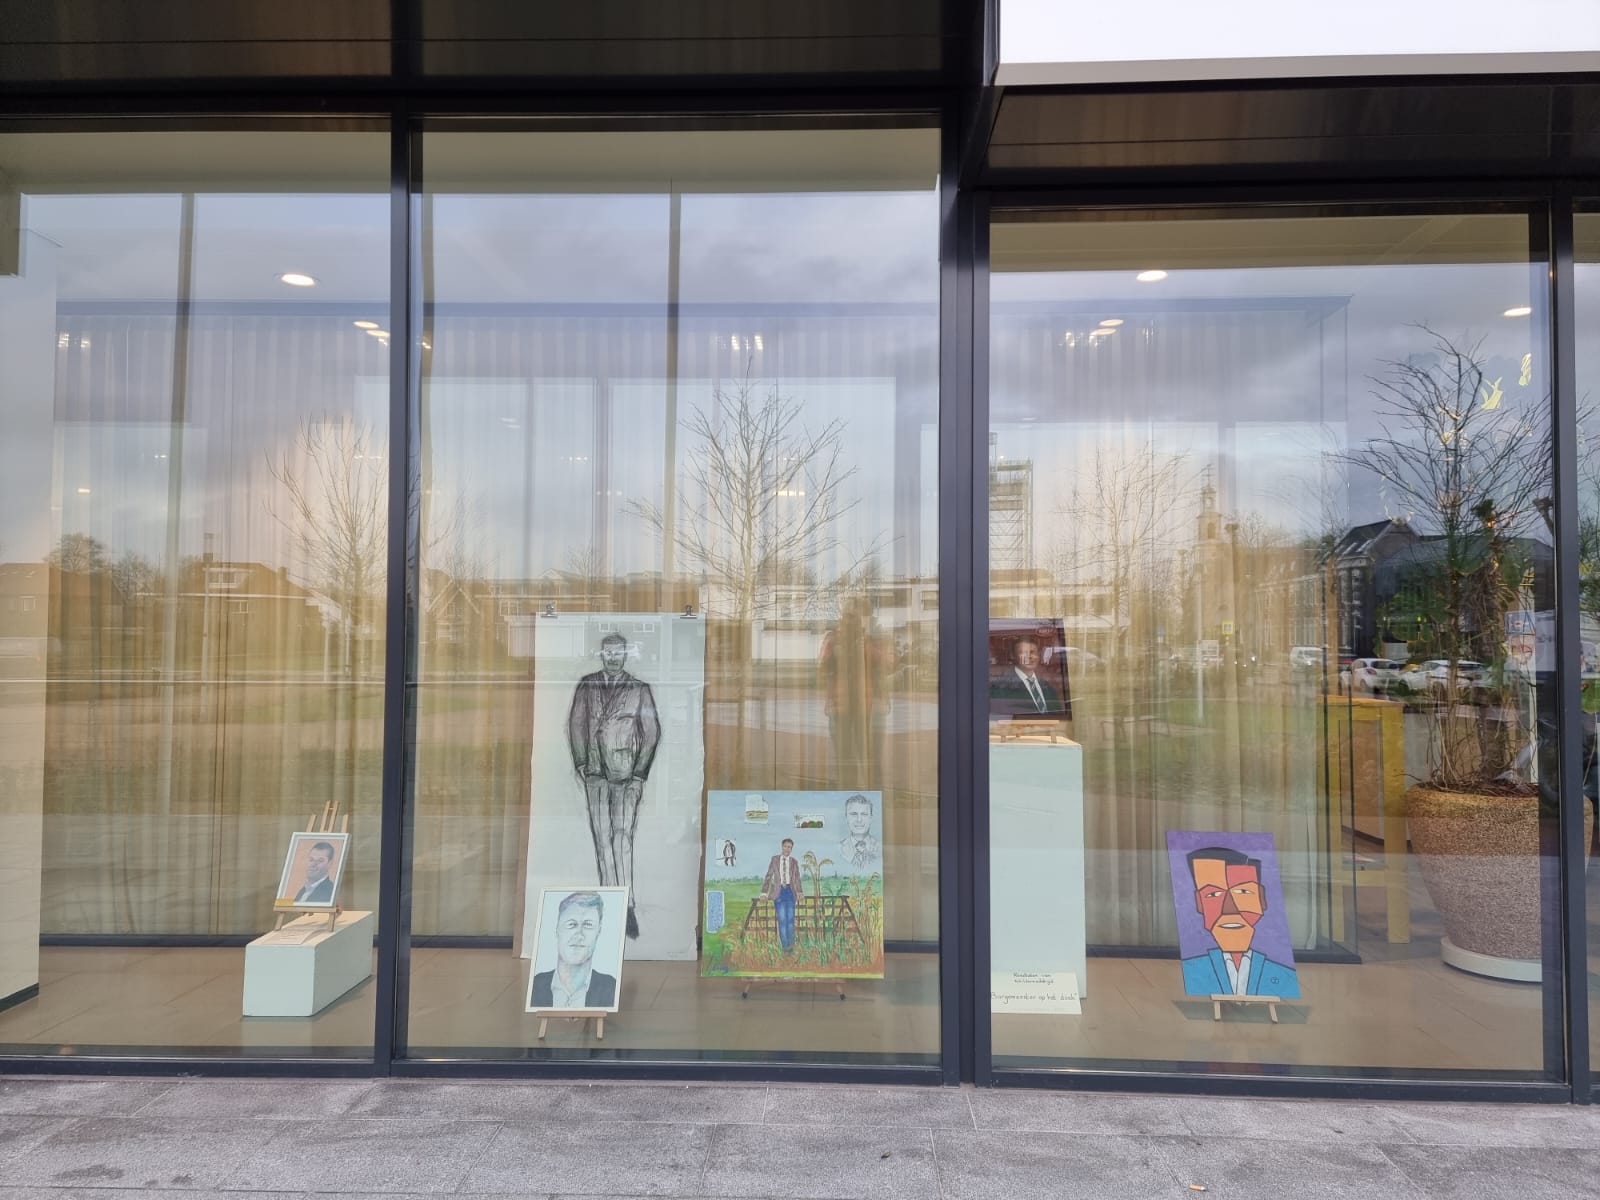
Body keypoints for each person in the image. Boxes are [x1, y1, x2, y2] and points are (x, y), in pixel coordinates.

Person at [567, 632, 660, 939]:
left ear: (625, 655)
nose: (613, 658)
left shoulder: (639, 689)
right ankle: (608, 900)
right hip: (594, 773)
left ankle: (628, 904)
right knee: (601, 839)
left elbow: (651, 732)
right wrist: (581, 762)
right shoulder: (586, 685)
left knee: (623, 839)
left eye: (618, 653)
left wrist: (639, 774)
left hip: (626, 775)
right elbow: (577, 724)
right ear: (602, 655)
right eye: (608, 653)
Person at [1180, 846, 1300, 998]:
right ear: (1199, 903)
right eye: (1213, 894)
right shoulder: (1195, 970)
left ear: (1261, 899)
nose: (1229, 909)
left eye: (1243, 892)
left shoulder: (1282, 975)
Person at [530, 890, 617, 1009]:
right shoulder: (535, 985)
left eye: (588, 925)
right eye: (571, 924)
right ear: (557, 929)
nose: (579, 935)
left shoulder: (611, 988)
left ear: (599, 931)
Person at [989, 634, 1066, 718]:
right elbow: (998, 720)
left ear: (1038, 656)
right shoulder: (1000, 687)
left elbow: (1059, 717)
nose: (1029, 656)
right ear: (1013, 656)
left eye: (1033, 652)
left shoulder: (1048, 687)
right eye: (1023, 652)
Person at [759, 838, 803, 953]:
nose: (787, 849)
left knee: (790, 920)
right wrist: (764, 893)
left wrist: (799, 892)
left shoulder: (794, 862)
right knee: (782, 920)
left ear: (792, 849)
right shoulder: (775, 860)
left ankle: (791, 946)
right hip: (778, 893)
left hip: (790, 892)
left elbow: (797, 878)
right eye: (785, 846)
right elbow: (768, 876)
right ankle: (785, 948)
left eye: (789, 847)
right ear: (782, 847)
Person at [836, 793, 881, 869]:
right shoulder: (838, 848)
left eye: (864, 814)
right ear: (846, 818)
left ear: (871, 818)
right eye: (854, 814)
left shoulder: (880, 847)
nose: (859, 819)